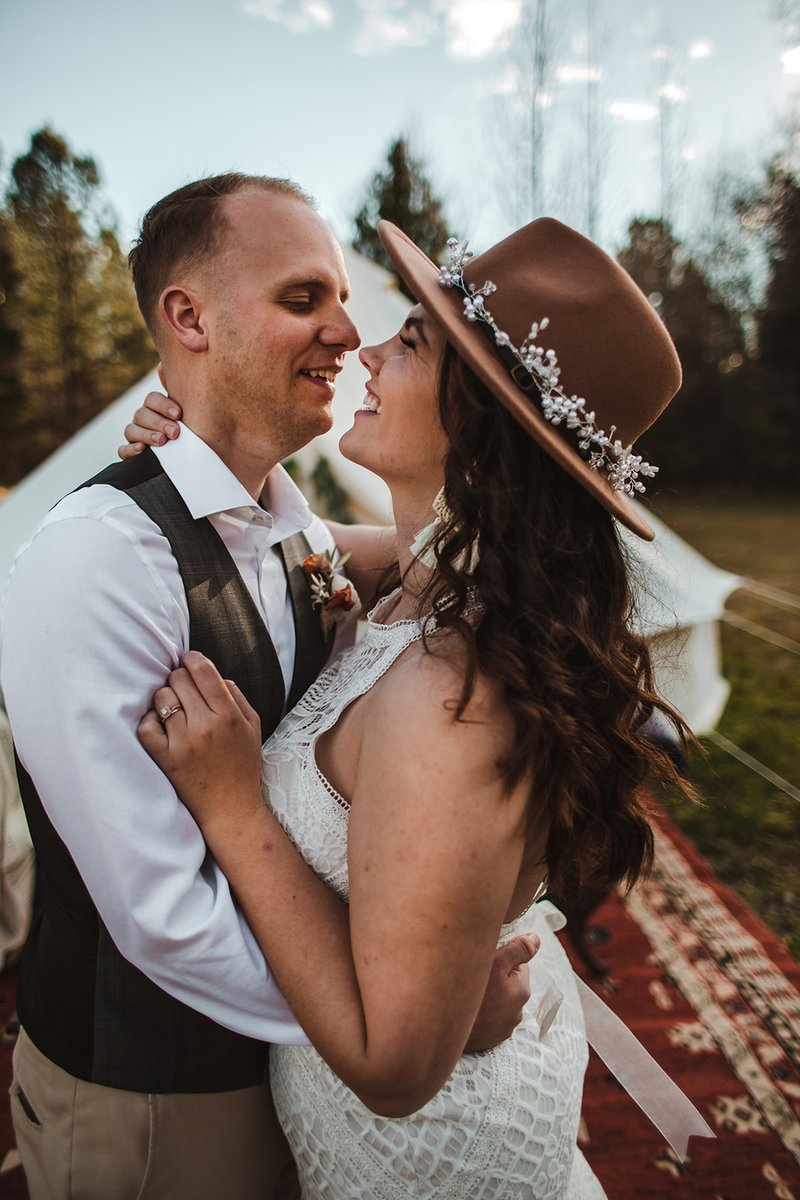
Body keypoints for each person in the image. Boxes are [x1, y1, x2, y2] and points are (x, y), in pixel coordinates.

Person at [130, 216, 698, 1198]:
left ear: (484, 422)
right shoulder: (425, 578)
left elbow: (393, 1066)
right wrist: (193, 445)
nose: (366, 347)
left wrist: (231, 806)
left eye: (413, 342)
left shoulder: (453, 692)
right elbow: (285, 541)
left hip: (428, 1157)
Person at [0, 177, 534, 1200]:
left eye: (341, 299)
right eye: (304, 300)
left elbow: (448, 560)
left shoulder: (295, 531)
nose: (349, 333)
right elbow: (162, 914)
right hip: (161, 1101)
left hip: (303, 1077)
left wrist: (394, 1014)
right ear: (187, 317)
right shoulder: (101, 560)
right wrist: (403, 1017)